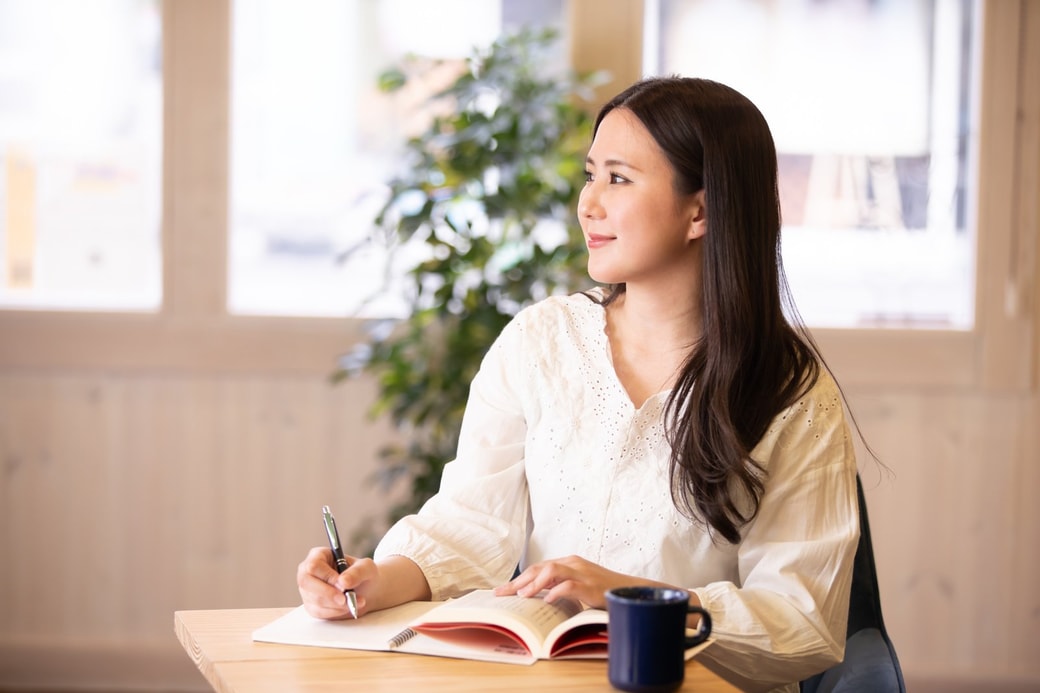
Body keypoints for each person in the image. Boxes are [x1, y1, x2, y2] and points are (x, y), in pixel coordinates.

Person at [297, 76, 860, 693]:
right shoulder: (541, 340)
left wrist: (634, 600)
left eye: (618, 178)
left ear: (700, 209)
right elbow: (470, 522)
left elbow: (802, 625)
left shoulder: (792, 393)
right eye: (590, 175)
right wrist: (378, 580)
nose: (587, 204)